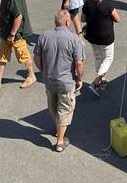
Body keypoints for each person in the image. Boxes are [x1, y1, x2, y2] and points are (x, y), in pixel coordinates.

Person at [32, 10, 85, 153]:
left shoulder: (44, 36)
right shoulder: (74, 39)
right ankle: (60, 141)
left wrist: (43, 69)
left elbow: (36, 57)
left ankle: (58, 129)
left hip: (49, 80)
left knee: (53, 107)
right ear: (68, 22)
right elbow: (79, 63)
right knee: (65, 110)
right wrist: (79, 79)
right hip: (66, 82)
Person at [81, 0, 118, 94]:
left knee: (98, 58)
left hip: (92, 36)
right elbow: (117, 18)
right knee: (108, 58)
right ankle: (97, 80)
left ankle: (102, 81)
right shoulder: (108, 4)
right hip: (106, 37)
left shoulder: (87, 4)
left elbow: (82, 19)